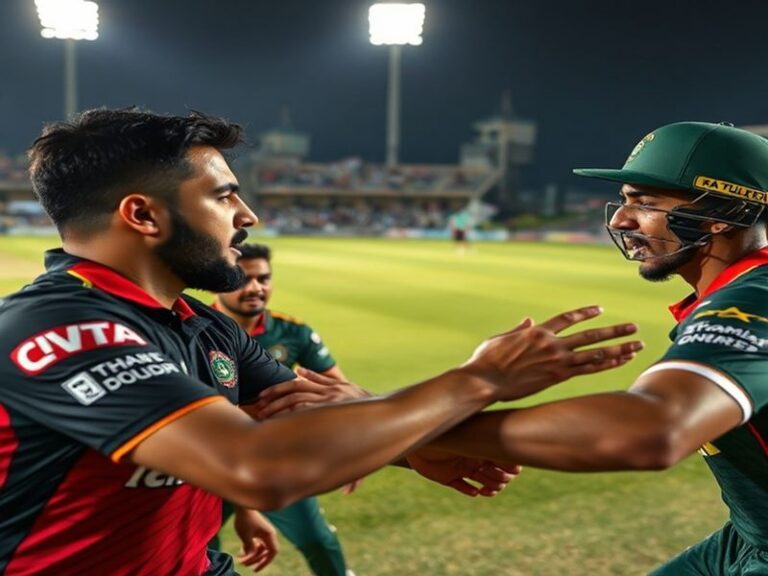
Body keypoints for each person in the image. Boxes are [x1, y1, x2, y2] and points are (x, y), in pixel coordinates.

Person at [0, 107, 641, 574]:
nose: (248, 217)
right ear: (142, 214)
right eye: (224, 197)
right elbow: (261, 467)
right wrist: (478, 379)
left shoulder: (206, 327)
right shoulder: (55, 328)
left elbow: (321, 413)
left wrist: (412, 448)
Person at [374, 121, 768, 575]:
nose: (621, 220)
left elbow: (653, 430)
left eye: (645, 203)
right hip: (746, 535)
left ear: (722, 212)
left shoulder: (756, 296)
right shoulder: (731, 291)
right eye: (624, 200)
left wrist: (418, 428)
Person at [210, 242, 356, 576]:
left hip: (275, 462)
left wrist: (356, 446)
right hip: (209, 464)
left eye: (263, 278)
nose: (255, 288)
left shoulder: (292, 331)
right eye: (244, 279)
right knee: (199, 548)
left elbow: (339, 394)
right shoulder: (193, 330)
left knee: (318, 541)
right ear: (221, 282)